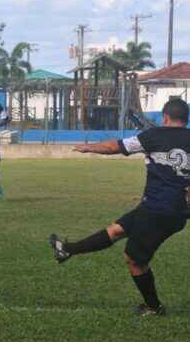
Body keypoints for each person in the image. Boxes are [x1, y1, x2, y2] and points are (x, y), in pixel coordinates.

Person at [49, 97, 190, 316]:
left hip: (158, 210)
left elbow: (116, 146)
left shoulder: (153, 136)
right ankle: (67, 250)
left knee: (134, 259)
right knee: (116, 230)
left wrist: (89, 148)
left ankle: (153, 307)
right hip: (169, 210)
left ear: (165, 116)